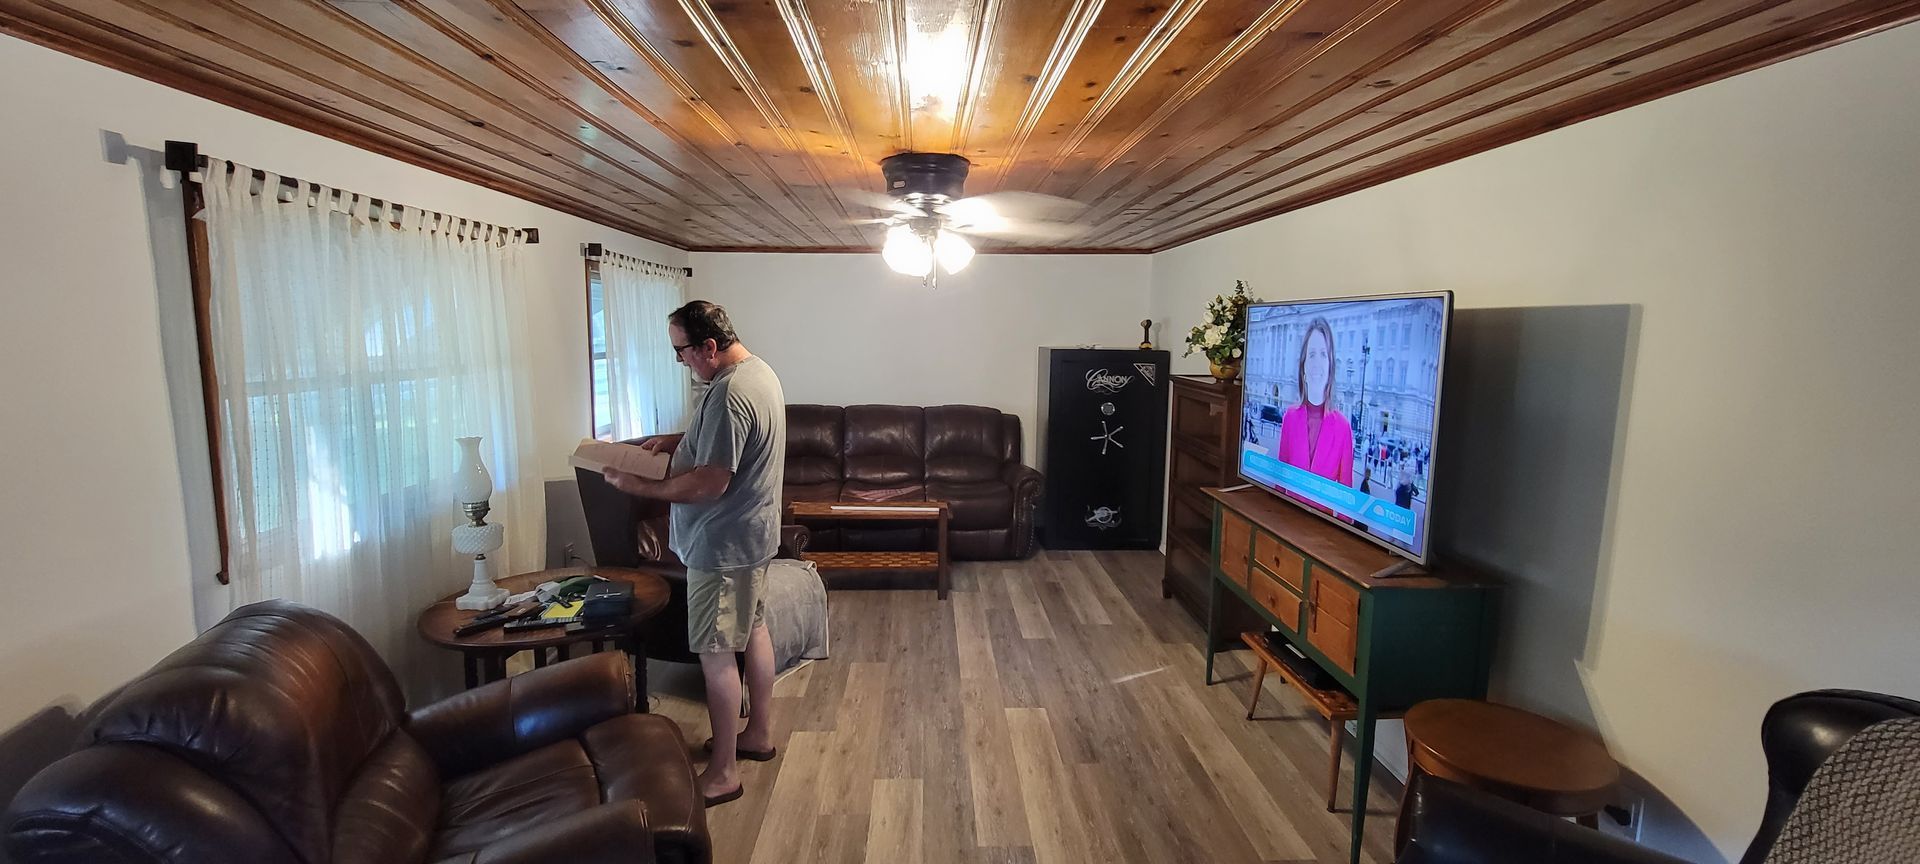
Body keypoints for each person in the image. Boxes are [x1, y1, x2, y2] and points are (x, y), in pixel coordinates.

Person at [600, 300, 785, 808]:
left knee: (716, 652)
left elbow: (708, 484)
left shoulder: (729, 394)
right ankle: (758, 734)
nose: (680, 360)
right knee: (755, 631)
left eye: (682, 350)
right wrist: (679, 440)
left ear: (709, 346)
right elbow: (730, 444)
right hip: (754, 537)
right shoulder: (759, 373)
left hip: (722, 546)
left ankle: (724, 771)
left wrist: (636, 483)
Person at [1275, 317, 1355, 512]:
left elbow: (1345, 496)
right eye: (1311, 355)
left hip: (1323, 528)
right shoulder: (1290, 417)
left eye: (1323, 355)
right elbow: (1280, 481)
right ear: (1303, 364)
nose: (1317, 363)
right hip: (1290, 518)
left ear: (1330, 366)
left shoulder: (1343, 427)